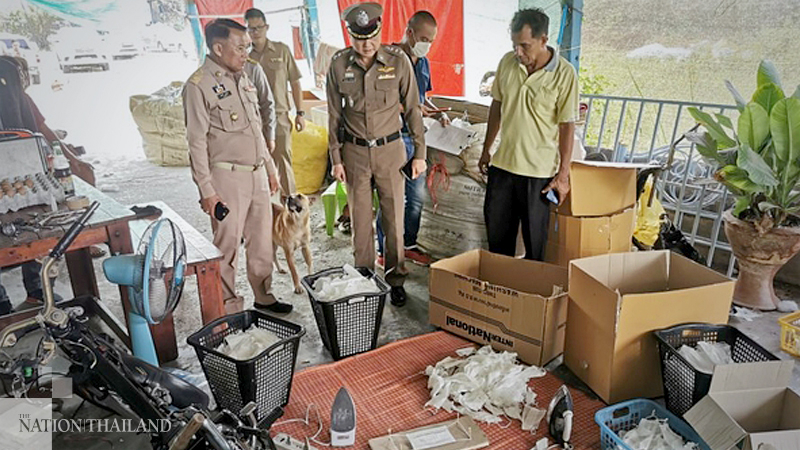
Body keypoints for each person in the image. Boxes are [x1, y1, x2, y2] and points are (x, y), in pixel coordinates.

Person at [182, 19, 290, 313]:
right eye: (239, 47)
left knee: (262, 244)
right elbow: (196, 143)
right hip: (226, 179)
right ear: (218, 48)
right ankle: (229, 308)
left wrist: (269, 168)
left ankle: (264, 295)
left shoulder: (243, 77)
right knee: (226, 247)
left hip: (256, 174)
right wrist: (207, 190)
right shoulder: (198, 86)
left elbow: (255, 128)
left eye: (246, 46)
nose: (246, 52)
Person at [327, 2, 427, 307]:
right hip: (354, 152)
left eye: (371, 36)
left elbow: (413, 110)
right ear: (349, 35)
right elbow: (333, 115)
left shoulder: (397, 62)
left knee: (394, 221)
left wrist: (420, 153)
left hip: (390, 151)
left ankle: (395, 279)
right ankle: (365, 280)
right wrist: (336, 159)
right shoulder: (339, 64)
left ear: (381, 30)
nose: (366, 44)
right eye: (358, 38)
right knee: (360, 223)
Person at [478, 8, 578, 260]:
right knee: (498, 242)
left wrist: (563, 174)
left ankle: (532, 296)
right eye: (514, 45)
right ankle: (500, 294)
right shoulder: (507, 63)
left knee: (535, 245)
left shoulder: (565, 74)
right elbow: (497, 106)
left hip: (538, 175)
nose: (518, 52)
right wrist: (486, 150)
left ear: (543, 40)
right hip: (503, 167)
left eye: (525, 45)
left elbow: (567, 126)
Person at [375, 10, 448, 268]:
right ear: (409, 33)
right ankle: (383, 250)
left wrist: (436, 113)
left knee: (416, 197)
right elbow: (379, 100)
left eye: (432, 39)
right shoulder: (388, 58)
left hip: (416, 140)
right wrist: (409, 108)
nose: (427, 43)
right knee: (390, 197)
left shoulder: (423, 63)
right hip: (392, 139)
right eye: (424, 37)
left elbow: (422, 96)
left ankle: (409, 245)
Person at [0, 56, 59, 315]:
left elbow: (29, 121)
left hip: (19, 161)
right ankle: (1, 300)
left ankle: (36, 287)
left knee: (32, 224)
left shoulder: (8, 72)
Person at [245, 8, 305, 197]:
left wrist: (300, 113)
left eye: (258, 27)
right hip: (252, 118)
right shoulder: (244, 57)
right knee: (257, 162)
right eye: (251, 28)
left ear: (266, 27)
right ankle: (266, 207)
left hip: (279, 116)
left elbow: (295, 82)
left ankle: (290, 205)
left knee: (283, 160)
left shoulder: (281, 50)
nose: (255, 32)